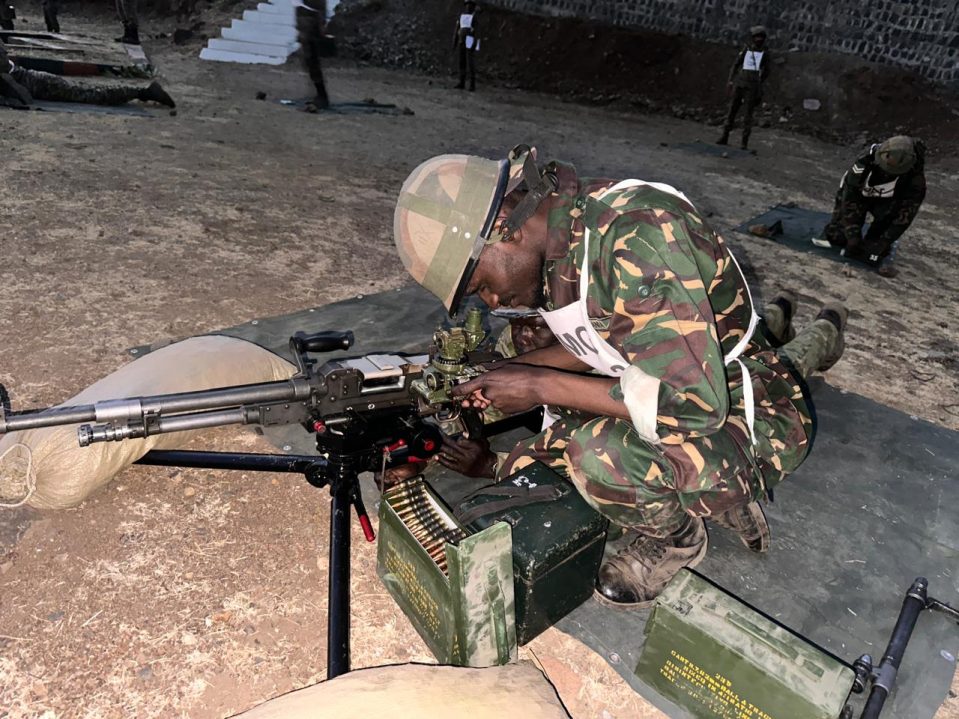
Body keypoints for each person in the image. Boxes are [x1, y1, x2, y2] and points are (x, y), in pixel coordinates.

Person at [393, 146, 848, 607]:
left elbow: (692, 404)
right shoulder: (566, 239)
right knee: (553, 398)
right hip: (689, 370)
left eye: (483, 285)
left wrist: (535, 387)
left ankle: (679, 537)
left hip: (743, 409)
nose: (492, 302)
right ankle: (793, 321)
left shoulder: (638, 235)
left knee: (597, 455)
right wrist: (521, 371)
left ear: (504, 229)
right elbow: (603, 338)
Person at [812, 136, 926, 278]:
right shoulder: (863, 164)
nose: (887, 173)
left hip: (889, 200)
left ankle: (875, 238)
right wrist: (852, 233)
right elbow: (849, 200)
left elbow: (906, 214)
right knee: (838, 237)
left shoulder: (915, 179)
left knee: (875, 248)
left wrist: (884, 241)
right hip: (859, 195)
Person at [0, 39, 175, 108]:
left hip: (34, 83)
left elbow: (10, 81)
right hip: (30, 79)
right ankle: (143, 92)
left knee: (91, 94)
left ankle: (144, 92)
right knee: (88, 91)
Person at [717, 25, 771, 151]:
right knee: (732, 111)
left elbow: (767, 70)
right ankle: (725, 136)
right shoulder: (746, 49)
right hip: (741, 83)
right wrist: (731, 80)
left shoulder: (765, 52)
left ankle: (744, 142)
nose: (758, 39)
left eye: (760, 37)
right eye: (756, 37)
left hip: (751, 86)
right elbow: (736, 64)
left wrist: (758, 82)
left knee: (748, 115)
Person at [295, 0, 330, 111]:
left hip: (311, 12)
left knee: (311, 56)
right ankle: (319, 94)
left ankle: (321, 95)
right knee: (308, 57)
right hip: (304, 10)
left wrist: (321, 19)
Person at [452, 1, 479, 91]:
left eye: (470, 5)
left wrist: (475, 44)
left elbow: (477, 32)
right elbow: (457, 30)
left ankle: (472, 84)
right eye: (467, 5)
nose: (468, 7)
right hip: (462, 39)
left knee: (471, 62)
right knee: (462, 61)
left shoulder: (475, 17)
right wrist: (454, 42)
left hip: (469, 39)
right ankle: (462, 82)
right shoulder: (461, 16)